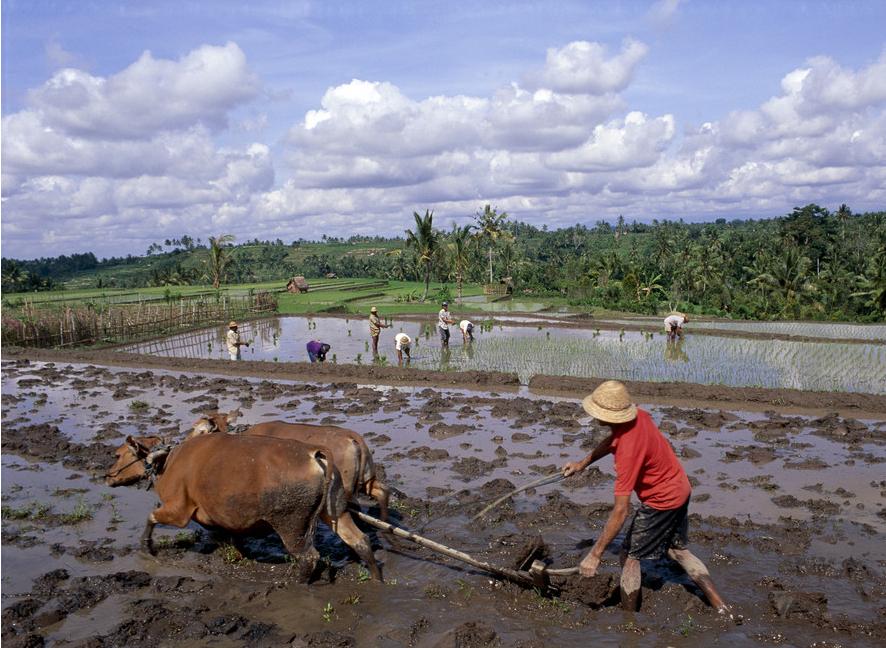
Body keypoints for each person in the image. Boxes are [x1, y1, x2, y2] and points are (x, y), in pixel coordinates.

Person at [562, 380, 733, 617]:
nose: (594, 417)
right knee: (677, 551)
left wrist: (595, 554)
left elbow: (621, 511)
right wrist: (582, 463)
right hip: (681, 488)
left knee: (629, 555)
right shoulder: (639, 416)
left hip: (661, 500)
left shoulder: (627, 453)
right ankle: (721, 606)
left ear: (610, 415)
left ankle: (630, 619)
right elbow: (613, 439)